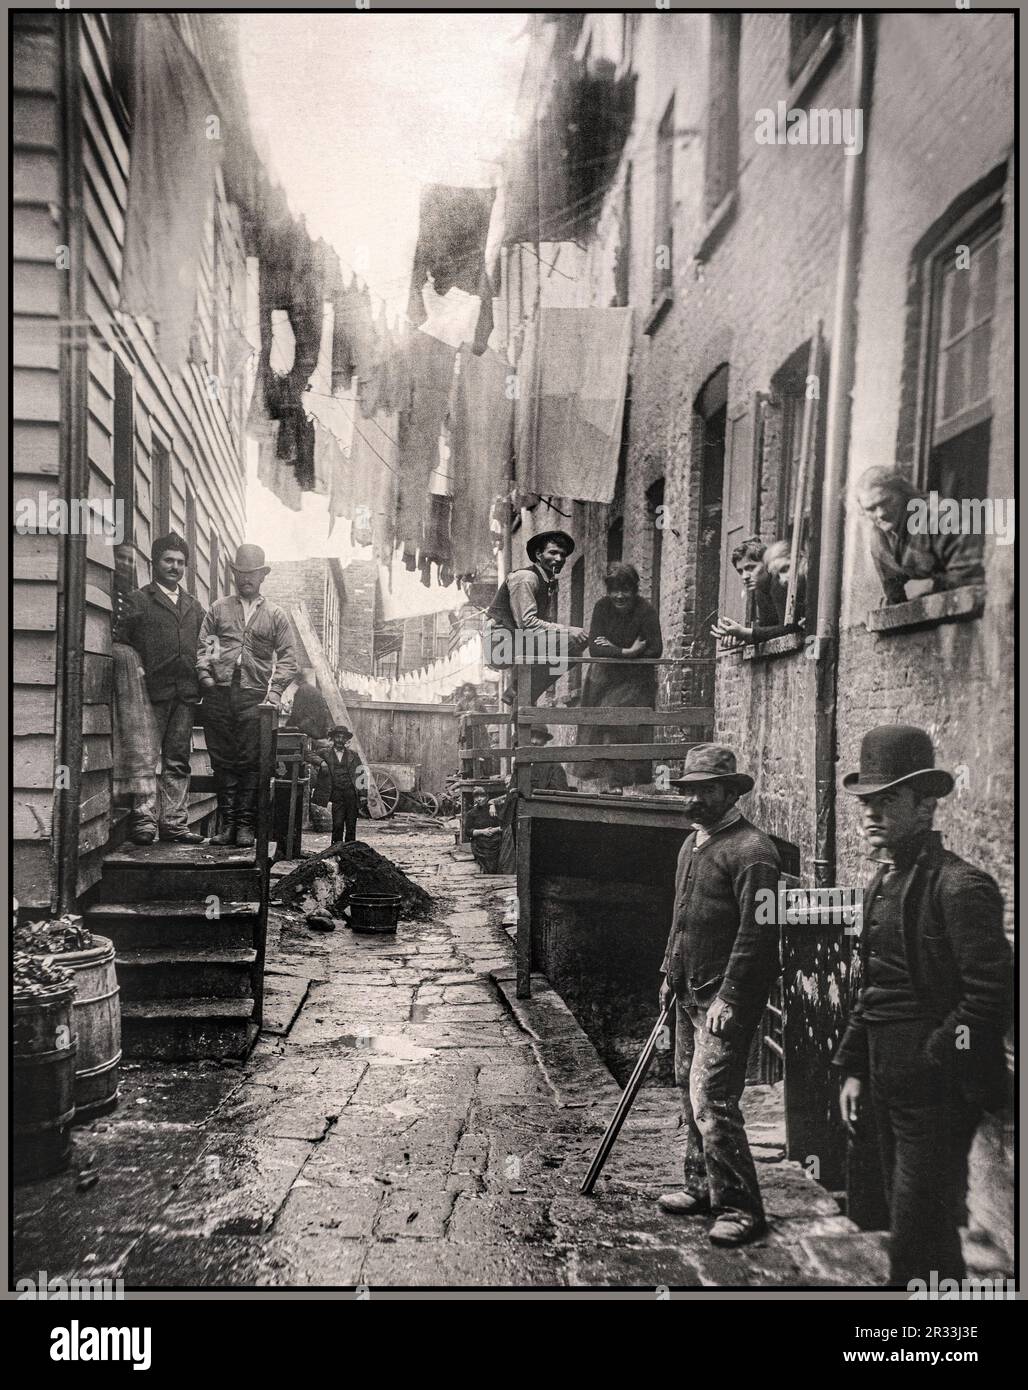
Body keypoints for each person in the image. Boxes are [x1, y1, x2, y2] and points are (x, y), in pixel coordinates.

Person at [833, 725, 1011, 1289]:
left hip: (937, 1093)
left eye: (889, 801)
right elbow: (874, 987)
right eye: (868, 801)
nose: (872, 814)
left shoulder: (960, 888)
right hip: (888, 1084)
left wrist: (938, 1056)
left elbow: (991, 997)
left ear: (926, 806)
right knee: (899, 1220)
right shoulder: (883, 883)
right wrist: (856, 1067)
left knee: (919, 1228)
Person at [657, 745, 781, 1246]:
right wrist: (670, 970)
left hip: (724, 998)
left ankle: (740, 1207)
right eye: (689, 791)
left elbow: (759, 935)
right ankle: (701, 1187)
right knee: (689, 1088)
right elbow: (681, 916)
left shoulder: (754, 852)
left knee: (713, 1099)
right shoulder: (693, 845)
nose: (694, 800)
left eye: (706, 791)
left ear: (731, 792)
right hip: (689, 988)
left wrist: (731, 996)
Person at [196, 543, 298, 848]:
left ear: (262, 575)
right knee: (222, 759)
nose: (246, 579)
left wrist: (276, 690)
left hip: (254, 695)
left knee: (251, 760)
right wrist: (206, 677)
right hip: (220, 693)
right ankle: (227, 825)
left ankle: (244, 827)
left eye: (252, 573)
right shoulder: (219, 609)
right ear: (235, 575)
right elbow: (206, 647)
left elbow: (290, 658)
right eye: (240, 573)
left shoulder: (275, 615)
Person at [118, 532, 205, 845]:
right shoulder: (140, 600)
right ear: (155, 563)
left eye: (181, 562)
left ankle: (174, 824)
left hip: (184, 694)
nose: (175, 567)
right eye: (169, 560)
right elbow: (121, 644)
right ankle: (143, 822)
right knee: (145, 758)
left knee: (177, 759)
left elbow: (207, 647)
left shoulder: (194, 607)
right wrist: (137, 668)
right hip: (149, 695)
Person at [582, 562, 663, 790]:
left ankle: (623, 782)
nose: (619, 596)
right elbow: (595, 648)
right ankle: (611, 783)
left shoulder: (646, 611)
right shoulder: (601, 608)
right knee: (601, 727)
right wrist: (628, 651)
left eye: (625, 589)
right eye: (614, 590)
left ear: (634, 590)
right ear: (608, 591)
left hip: (635, 681)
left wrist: (614, 650)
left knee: (618, 723)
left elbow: (656, 649)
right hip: (604, 680)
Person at [485, 530, 589, 704]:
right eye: (553, 552)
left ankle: (519, 695)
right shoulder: (527, 578)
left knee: (575, 643)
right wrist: (569, 630)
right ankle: (520, 694)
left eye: (562, 555)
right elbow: (527, 623)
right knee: (570, 643)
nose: (559, 559)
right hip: (499, 644)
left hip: (515, 639)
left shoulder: (545, 581)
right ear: (538, 555)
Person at [856, 466, 985, 605]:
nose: (881, 513)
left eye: (886, 502)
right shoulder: (879, 536)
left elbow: (975, 577)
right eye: (871, 508)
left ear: (903, 493)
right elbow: (896, 597)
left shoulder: (942, 515)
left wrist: (931, 585)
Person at [712, 537, 805, 648]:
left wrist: (747, 633)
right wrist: (743, 638)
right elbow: (768, 629)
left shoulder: (780, 582)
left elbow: (790, 628)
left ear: (766, 564)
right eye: (740, 571)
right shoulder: (760, 591)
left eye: (750, 568)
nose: (744, 577)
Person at [311, 725, 364, 844]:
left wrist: (363, 794)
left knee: (351, 824)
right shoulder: (325, 753)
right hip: (336, 794)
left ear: (346, 740)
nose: (340, 740)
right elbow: (308, 754)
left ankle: (350, 851)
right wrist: (322, 762)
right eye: (337, 737)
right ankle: (335, 851)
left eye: (343, 737)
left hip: (351, 793)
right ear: (333, 738)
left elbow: (361, 774)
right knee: (338, 823)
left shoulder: (353, 755)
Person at [287, 670, 334, 741]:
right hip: (319, 728)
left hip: (308, 728)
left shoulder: (301, 690)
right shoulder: (315, 690)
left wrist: (288, 725)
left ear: (296, 679)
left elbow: (296, 713)